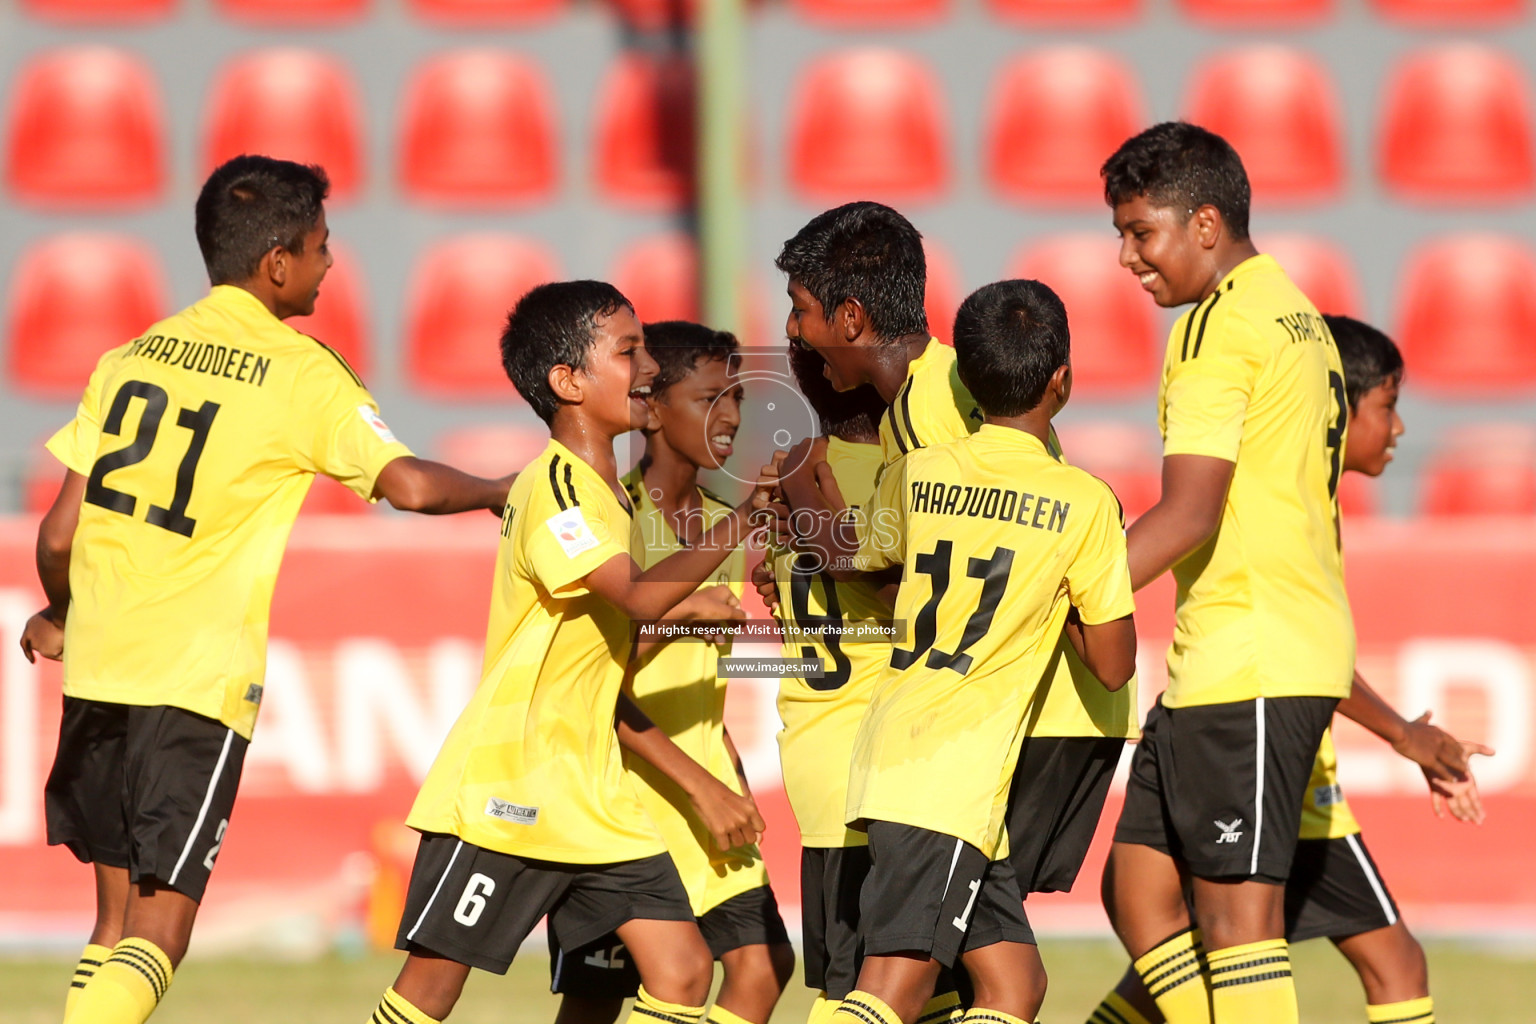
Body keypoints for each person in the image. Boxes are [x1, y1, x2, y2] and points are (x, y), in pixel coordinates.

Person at [20, 155, 515, 1024]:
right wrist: (502, 489)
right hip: (192, 683)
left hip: (97, 672)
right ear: (278, 262)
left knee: (110, 927)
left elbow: (58, 533)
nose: (331, 264)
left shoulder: (128, 356)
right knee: (160, 932)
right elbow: (408, 488)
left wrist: (62, 613)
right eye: (323, 246)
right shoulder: (299, 372)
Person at [364, 281, 780, 1024]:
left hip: (595, 793)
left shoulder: (604, 494)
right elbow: (639, 599)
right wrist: (744, 521)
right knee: (430, 992)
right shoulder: (557, 486)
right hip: (515, 784)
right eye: (629, 351)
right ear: (567, 382)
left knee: (683, 973)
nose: (649, 366)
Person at [1085, 314, 1491, 1024]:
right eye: (1388, 405)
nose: (1398, 430)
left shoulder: (1305, 496)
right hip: (1263, 742)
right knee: (1209, 933)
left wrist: (1403, 733)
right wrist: (1402, 734)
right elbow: (1299, 651)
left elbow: (1313, 654)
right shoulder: (1274, 497)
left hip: (1280, 753)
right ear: (1337, 406)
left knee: (1360, 958)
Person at [769, 200, 1138, 966]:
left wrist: (810, 506)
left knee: (924, 973)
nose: (792, 332)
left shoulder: (944, 406)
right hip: (1007, 713)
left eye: (801, 311)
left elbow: (946, 578)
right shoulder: (921, 402)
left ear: (850, 316)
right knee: (995, 977)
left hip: (1030, 714)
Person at [1098, 122, 1355, 1024]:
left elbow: (1188, 513)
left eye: (1141, 232)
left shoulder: (1216, 329)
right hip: (1241, 653)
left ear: (1205, 223)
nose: (1127, 258)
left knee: (1237, 923)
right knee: (1135, 890)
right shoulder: (1294, 308)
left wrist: (1062, 594)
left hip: (1249, 657)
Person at [547, 321, 794, 1024]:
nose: (733, 418)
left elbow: (708, 682)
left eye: (738, 398)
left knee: (764, 966)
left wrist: (728, 775)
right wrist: (677, 617)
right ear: (651, 409)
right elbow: (597, 682)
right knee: (597, 1004)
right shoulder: (611, 522)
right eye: (711, 399)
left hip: (704, 794)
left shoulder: (726, 523)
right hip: (623, 804)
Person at [766, 343, 898, 1024]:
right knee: (866, 988)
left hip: (816, 753)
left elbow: (769, 584)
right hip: (875, 762)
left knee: (869, 984)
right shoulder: (900, 475)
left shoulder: (793, 472)